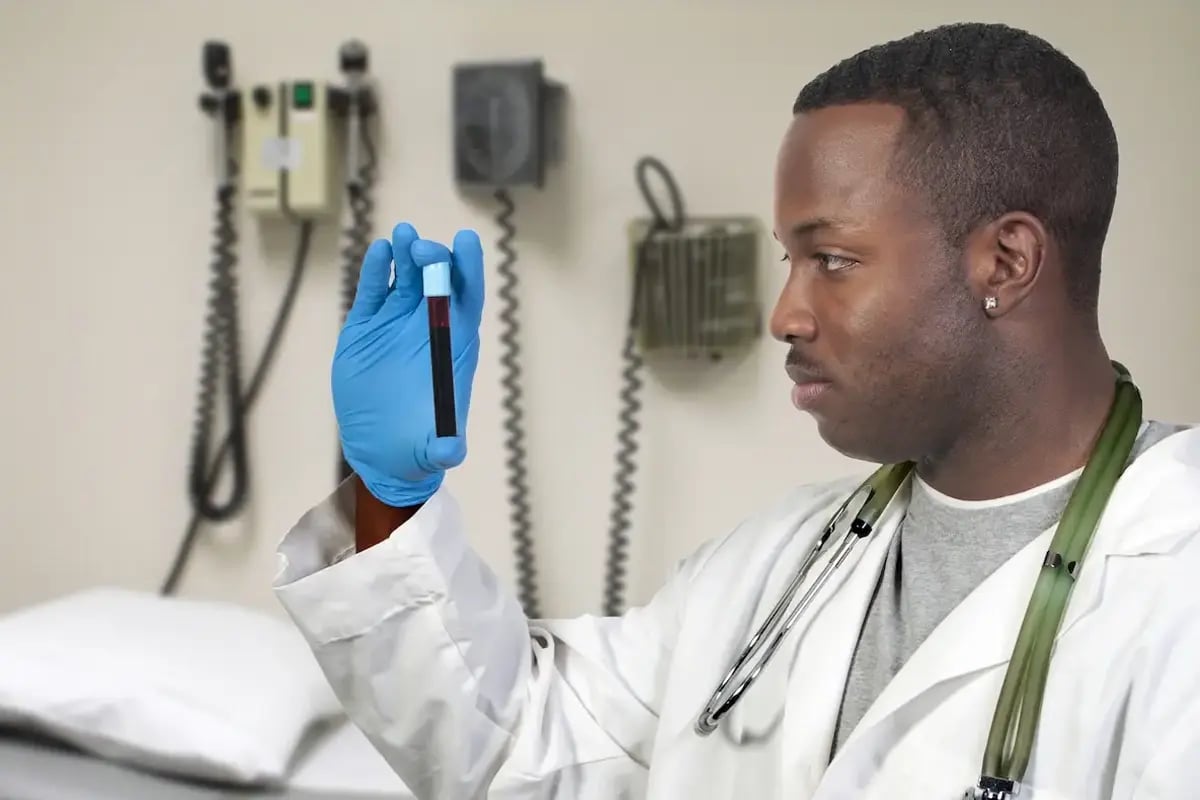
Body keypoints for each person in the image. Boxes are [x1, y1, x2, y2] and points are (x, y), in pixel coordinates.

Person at [273, 22, 1200, 800]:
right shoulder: (779, 565)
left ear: (1004, 263)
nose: (785, 314)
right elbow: (525, 740)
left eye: (831, 259)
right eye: (787, 262)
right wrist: (390, 493)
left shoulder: (1175, 590)